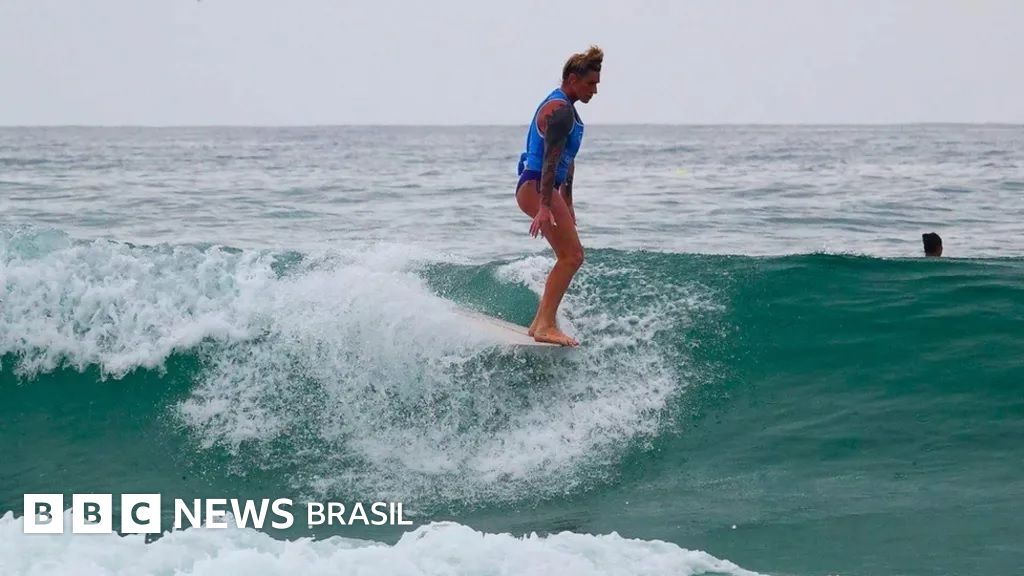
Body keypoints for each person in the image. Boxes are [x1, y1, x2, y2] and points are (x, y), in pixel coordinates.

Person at [515, 46, 602, 346]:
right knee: (572, 256)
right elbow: (551, 159)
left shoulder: (568, 109)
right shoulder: (559, 111)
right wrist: (544, 206)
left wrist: (568, 200)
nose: (595, 90)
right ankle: (546, 325)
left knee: (568, 255)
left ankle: (539, 323)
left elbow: (568, 159)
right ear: (573, 78)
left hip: (545, 189)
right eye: (591, 83)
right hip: (538, 186)